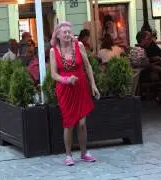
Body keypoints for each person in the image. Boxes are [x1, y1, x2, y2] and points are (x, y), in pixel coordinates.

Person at [49, 21, 100, 166]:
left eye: (69, 32)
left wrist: (93, 85)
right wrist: (66, 80)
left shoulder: (79, 46)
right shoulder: (54, 51)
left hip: (81, 86)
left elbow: (88, 65)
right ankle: (68, 155)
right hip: (65, 89)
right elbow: (53, 74)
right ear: (58, 35)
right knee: (69, 123)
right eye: (64, 32)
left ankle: (84, 153)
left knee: (82, 123)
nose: (67, 35)